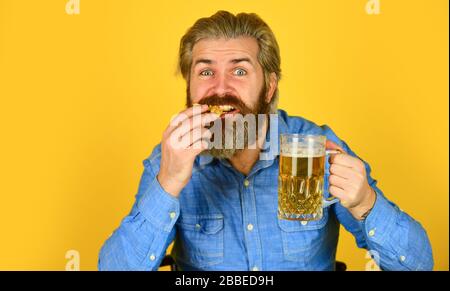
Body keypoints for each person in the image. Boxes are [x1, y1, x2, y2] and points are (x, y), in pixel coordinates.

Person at [98, 10, 433, 271]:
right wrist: (168, 184)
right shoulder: (170, 160)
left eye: (240, 71)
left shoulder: (316, 148)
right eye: (205, 71)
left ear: (269, 86)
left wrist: (365, 203)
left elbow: (419, 264)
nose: (220, 87)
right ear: (189, 85)